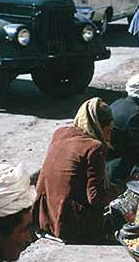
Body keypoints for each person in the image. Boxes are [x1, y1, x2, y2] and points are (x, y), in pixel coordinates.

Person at [32, 98, 117, 243]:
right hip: (68, 225)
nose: (109, 137)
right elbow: (96, 198)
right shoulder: (94, 148)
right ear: (97, 127)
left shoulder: (61, 132)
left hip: (44, 216)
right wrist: (120, 189)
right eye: (107, 131)